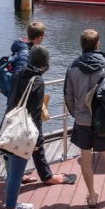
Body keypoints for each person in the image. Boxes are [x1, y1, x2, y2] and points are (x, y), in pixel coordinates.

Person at [64, 29, 105, 207]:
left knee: (86, 158)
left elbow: (68, 96)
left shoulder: (72, 67)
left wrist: (77, 114)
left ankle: (92, 196)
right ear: (97, 44)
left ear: (82, 45)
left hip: (82, 120)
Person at [7, 22, 71, 185]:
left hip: (16, 102)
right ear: (40, 36)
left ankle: (17, 175)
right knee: (33, 137)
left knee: (14, 139)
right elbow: (20, 79)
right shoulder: (25, 55)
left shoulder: (22, 48)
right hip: (23, 106)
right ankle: (43, 176)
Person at [2, 45, 52, 209]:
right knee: (17, 173)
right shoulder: (37, 81)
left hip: (10, 126)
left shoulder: (20, 72)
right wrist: (38, 140)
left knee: (13, 172)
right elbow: (36, 113)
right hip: (23, 131)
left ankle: (12, 202)